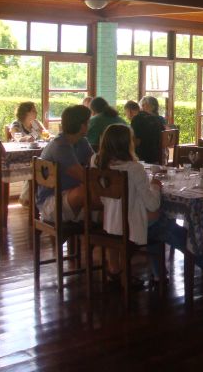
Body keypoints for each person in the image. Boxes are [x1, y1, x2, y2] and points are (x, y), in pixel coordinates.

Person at [91, 124, 163, 284]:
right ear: (128, 144)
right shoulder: (134, 168)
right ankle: (155, 271)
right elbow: (152, 204)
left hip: (107, 218)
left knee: (123, 210)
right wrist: (155, 186)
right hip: (127, 224)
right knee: (159, 214)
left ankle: (115, 268)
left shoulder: (96, 161)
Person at [35, 105, 94, 223]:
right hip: (51, 202)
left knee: (108, 199)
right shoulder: (60, 146)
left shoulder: (81, 142)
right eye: (88, 122)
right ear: (82, 126)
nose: (90, 125)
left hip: (68, 196)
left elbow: (95, 162)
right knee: (89, 193)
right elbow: (83, 176)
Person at [130, 98, 165, 164]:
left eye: (144, 104)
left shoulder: (138, 118)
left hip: (143, 158)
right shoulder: (159, 119)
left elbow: (136, 141)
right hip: (157, 156)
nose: (142, 106)